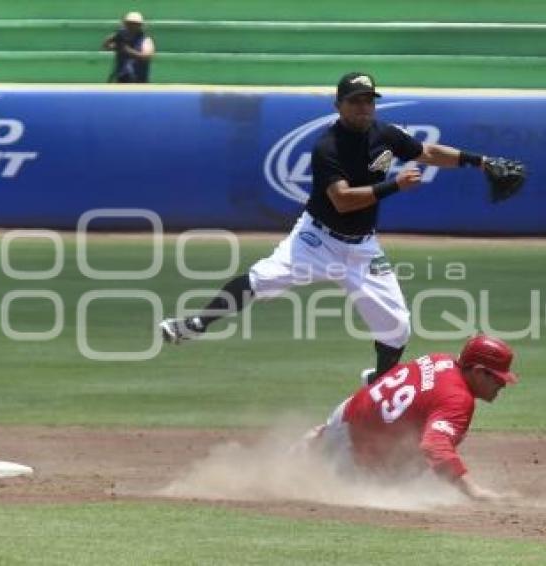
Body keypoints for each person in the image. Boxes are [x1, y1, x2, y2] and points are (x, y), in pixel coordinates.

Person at [160, 72, 516, 383]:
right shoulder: (327, 147)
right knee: (259, 279)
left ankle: (377, 383)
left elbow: (427, 152)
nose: (363, 107)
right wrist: (394, 184)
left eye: (368, 100)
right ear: (338, 104)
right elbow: (342, 199)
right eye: (355, 101)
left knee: (396, 328)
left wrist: (480, 162)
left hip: (362, 248)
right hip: (315, 239)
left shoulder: (385, 134)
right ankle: (197, 323)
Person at [303, 334, 519, 502]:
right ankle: (311, 459)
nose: (502, 385)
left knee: (424, 463)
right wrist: (475, 492)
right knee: (420, 479)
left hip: (348, 412)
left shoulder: (441, 359)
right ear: (479, 371)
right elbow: (434, 446)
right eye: (499, 378)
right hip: (353, 452)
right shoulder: (458, 399)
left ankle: (316, 440)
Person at [103, 11, 155, 83]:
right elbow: (107, 46)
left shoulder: (145, 40)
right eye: (129, 24)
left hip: (138, 79)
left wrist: (128, 51)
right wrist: (114, 37)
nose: (131, 27)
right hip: (121, 78)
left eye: (134, 24)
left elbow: (146, 56)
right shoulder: (122, 39)